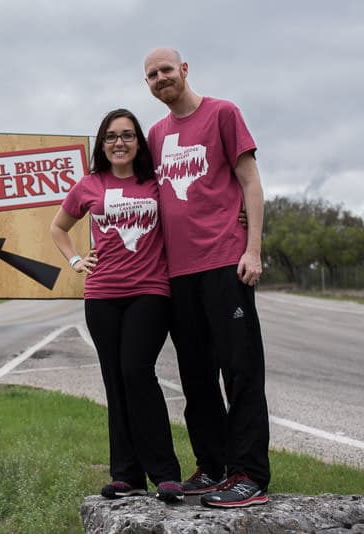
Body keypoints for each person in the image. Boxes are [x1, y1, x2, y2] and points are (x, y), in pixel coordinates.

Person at [143, 47, 270, 508]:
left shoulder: (223, 114)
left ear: (185, 70)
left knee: (241, 372)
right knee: (196, 377)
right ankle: (213, 466)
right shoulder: (156, 134)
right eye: (152, 75)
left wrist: (252, 249)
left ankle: (250, 475)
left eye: (166, 70)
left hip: (224, 263)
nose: (160, 79)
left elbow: (250, 181)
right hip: (178, 273)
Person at [50, 108, 184, 503]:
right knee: (115, 379)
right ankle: (126, 475)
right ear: (101, 143)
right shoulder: (89, 184)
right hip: (102, 295)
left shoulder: (156, 183)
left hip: (150, 291)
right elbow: (59, 227)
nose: (119, 142)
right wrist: (76, 260)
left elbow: (193, 209)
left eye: (127, 135)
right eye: (111, 136)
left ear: (139, 142)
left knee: (136, 372)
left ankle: (165, 473)